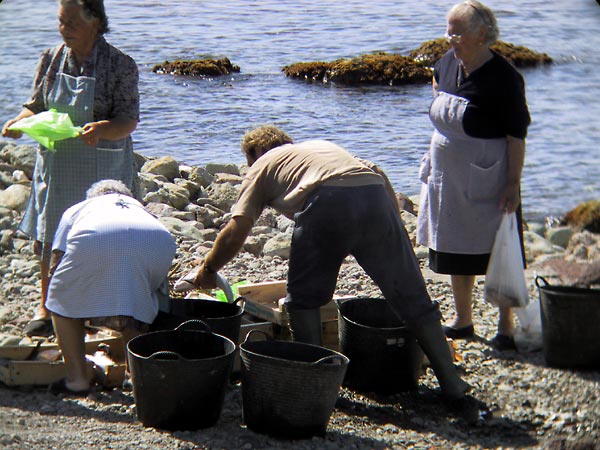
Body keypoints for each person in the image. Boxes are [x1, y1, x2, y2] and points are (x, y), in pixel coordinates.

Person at [192, 125, 469, 400]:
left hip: (327, 202)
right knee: (412, 297)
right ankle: (452, 384)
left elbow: (237, 229)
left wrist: (209, 268)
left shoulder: (262, 164)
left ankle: (316, 387)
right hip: (373, 195)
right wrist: (395, 234)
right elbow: (377, 172)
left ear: (255, 153)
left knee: (303, 302)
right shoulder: (319, 147)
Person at [1, 0, 139, 337]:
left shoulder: (120, 64)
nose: (65, 30)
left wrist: (102, 129)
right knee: (51, 236)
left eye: (72, 23)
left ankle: (101, 307)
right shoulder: (52, 58)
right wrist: (19, 123)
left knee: (104, 235)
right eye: (61, 22)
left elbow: (128, 120)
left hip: (103, 165)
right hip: (58, 165)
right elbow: (35, 105)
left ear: (95, 22)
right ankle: (47, 306)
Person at [416, 1, 531, 350]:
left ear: (482, 34)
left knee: (500, 247)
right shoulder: (447, 64)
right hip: (448, 178)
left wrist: (512, 183)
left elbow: (516, 136)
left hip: (489, 175)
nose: (450, 38)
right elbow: (439, 93)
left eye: (458, 32)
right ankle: (463, 319)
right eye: (448, 30)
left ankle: (506, 326)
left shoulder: (505, 78)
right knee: (454, 246)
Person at [46, 180, 176, 395]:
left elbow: (56, 263)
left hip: (95, 237)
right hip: (159, 239)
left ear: (93, 197)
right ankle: (135, 376)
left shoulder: (79, 209)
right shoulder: (139, 209)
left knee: (59, 298)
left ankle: (77, 380)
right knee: (139, 300)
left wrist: (76, 311)